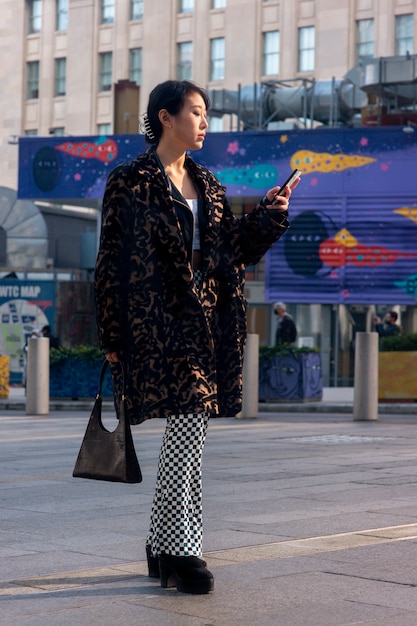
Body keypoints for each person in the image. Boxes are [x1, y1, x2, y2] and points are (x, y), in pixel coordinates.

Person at [94, 80, 299, 595]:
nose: (205, 123)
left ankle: (161, 545)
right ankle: (184, 549)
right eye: (197, 113)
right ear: (166, 118)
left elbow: (231, 251)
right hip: (155, 324)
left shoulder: (207, 184)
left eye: (206, 114)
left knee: (190, 430)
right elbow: (109, 263)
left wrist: (270, 216)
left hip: (206, 325)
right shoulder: (130, 181)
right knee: (188, 427)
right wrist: (112, 334)